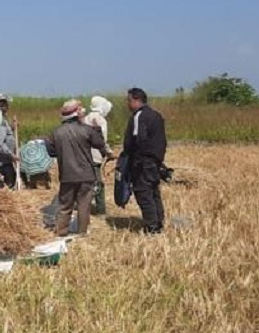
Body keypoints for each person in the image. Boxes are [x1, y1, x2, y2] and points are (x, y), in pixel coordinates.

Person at [44, 99, 114, 237]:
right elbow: (100, 144)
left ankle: (61, 232)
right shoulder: (87, 130)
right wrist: (97, 130)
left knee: (65, 206)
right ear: (77, 114)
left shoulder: (56, 133)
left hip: (67, 175)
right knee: (84, 205)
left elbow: (51, 151)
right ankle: (82, 233)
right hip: (86, 175)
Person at [123, 87, 168, 234]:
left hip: (143, 162)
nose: (128, 104)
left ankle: (152, 227)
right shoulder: (156, 115)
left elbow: (139, 139)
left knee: (143, 193)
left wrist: (134, 159)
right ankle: (159, 221)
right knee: (154, 192)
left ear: (136, 100)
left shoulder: (139, 116)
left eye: (129, 100)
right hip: (155, 161)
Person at [82, 95, 114, 215]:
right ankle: (100, 211)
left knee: (85, 182)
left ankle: (83, 207)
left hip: (83, 156)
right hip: (95, 156)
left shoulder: (85, 119)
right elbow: (102, 141)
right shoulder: (101, 120)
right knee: (98, 183)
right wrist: (109, 153)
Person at [0, 94, 19, 189]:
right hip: (2, 162)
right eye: (2, 105)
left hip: (5, 160)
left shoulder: (3, 120)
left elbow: (6, 135)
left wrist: (12, 128)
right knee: (8, 185)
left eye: (6, 105)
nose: (6, 107)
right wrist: (11, 155)